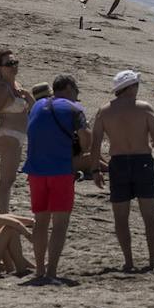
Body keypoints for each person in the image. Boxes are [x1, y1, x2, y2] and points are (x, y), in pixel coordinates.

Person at [90, 70, 154, 272]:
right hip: (142, 162)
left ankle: (129, 261)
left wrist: (95, 169)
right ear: (131, 87)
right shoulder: (143, 108)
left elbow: (95, 144)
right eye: (137, 85)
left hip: (119, 164)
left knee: (121, 218)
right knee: (149, 216)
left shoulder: (104, 111)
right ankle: (151, 261)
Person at [23, 74, 91, 285]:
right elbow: (86, 140)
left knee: (41, 221)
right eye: (77, 91)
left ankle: (40, 269)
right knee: (60, 223)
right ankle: (52, 271)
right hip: (60, 171)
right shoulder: (74, 109)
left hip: (35, 171)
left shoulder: (37, 106)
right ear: (69, 88)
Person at [0, 49, 34, 213]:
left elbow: (33, 108)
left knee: (11, 179)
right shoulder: (2, 88)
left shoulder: (17, 85)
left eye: (15, 62)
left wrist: (28, 95)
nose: (13, 66)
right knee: (6, 181)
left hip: (18, 136)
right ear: (0, 68)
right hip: (8, 136)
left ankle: (5, 214)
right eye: (9, 64)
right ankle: (4, 215)